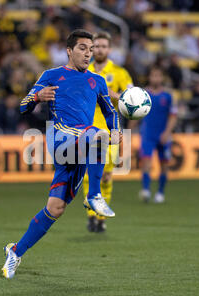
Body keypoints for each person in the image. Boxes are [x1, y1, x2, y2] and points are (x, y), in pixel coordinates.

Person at [1, 29, 121, 279]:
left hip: (81, 147)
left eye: (90, 49)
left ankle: (15, 251)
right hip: (60, 138)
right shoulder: (52, 75)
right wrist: (37, 96)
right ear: (69, 51)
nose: (88, 53)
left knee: (55, 208)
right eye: (82, 48)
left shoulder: (98, 81)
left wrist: (117, 131)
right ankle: (94, 195)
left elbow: (111, 113)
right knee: (97, 135)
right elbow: (23, 106)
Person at [82, 31, 133, 233]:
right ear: (92, 49)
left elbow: (132, 99)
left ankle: (102, 216)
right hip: (86, 129)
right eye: (97, 46)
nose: (101, 49)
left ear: (109, 49)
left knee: (106, 176)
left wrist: (114, 95)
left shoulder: (120, 73)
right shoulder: (84, 71)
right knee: (87, 174)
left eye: (104, 46)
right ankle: (91, 217)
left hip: (110, 130)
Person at [138, 66, 177, 203]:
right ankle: (146, 190)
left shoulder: (168, 95)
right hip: (148, 135)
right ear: (149, 77)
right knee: (146, 163)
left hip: (163, 135)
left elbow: (173, 116)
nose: (156, 78)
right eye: (153, 75)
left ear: (162, 78)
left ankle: (160, 192)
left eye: (158, 76)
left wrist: (167, 132)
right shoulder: (142, 94)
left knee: (164, 165)